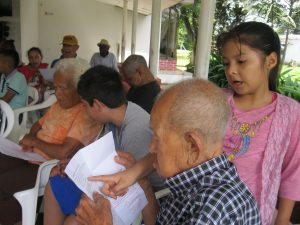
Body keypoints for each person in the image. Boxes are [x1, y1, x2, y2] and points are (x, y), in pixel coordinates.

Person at [91, 21, 300, 225]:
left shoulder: (289, 113)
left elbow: (292, 172)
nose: (231, 70)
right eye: (226, 63)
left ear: (270, 61)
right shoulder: (214, 101)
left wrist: (282, 219)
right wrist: (133, 174)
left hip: (243, 211)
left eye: (241, 61)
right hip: (196, 201)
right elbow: (170, 144)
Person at [76, 79, 262, 225]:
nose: (151, 147)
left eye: (157, 138)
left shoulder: (217, 207)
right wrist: (143, 183)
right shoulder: (192, 180)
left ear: (193, 146)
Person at [44, 65, 164, 225]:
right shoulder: (114, 119)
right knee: (55, 185)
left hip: (141, 199)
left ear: (99, 105)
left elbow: (136, 182)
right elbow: (109, 160)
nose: (85, 111)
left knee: (73, 221)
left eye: (86, 106)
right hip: (115, 186)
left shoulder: (135, 130)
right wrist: (75, 165)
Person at [0, 58, 101, 225]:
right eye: (55, 87)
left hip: (49, 166)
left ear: (79, 88)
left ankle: (17, 220)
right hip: (31, 156)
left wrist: (34, 142)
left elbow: (65, 152)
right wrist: (29, 140)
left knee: (4, 183)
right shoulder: (59, 104)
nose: (57, 93)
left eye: (62, 88)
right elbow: (37, 125)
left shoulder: (85, 113)